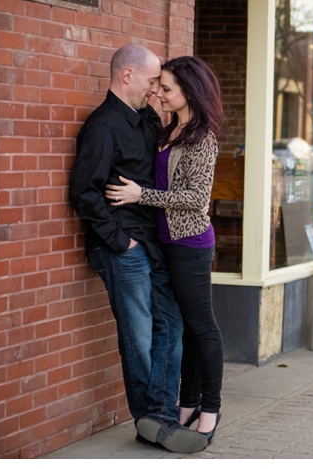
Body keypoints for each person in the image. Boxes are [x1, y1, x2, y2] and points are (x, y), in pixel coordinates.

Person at [69, 43, 208, 454]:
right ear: (126, 75)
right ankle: (150, 419)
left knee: (172, 325)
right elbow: (83, 192)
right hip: (122, 246)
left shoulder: (148, 120)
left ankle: (161, 414)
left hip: (154, 241)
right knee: (139, 331)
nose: (155, 92)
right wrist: (119, 240)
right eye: (151, 82)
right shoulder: (102, 126)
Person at [105, 56, 224, 448]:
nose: (160, 92)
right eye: (159, 86)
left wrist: (143, 196)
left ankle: (211, 408)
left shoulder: (203, 137)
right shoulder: (169, 129)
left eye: (167, 87)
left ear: (189, 91)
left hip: (190, 245)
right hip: (165, 244)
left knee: (202, 326)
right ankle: (186, 403)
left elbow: (196, 198)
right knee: (184, 328)